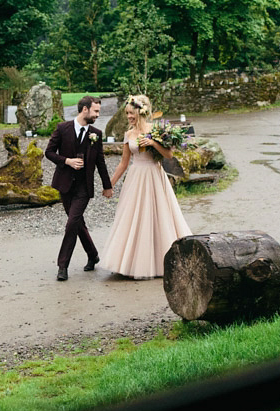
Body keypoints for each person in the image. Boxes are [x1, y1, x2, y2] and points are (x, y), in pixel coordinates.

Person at [97, 95, 192, 279]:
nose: (129, 117)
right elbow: (123, 164)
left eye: (131, 113)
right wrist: (109, 185)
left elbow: (169, 156)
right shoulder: (128, 134)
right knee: (134, 218)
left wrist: (153, 143)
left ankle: (162, 260)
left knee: (159, 216)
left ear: (141, 112)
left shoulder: (155, 130)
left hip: (154, 176)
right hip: (136, 178)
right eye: (127, 114)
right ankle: (130, 262)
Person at [45, 96, 113, 280]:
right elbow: (48, 152)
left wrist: (108, 186)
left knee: (71, 224)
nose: (98, 115)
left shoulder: (96, 134)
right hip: (64, 185)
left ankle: (62, 266)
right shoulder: (62, 129)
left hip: (84, 187)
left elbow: (101, 162)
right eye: (96, 111)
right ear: (85, 110)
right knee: (77, 223)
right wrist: (66, 161)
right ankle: (93, 255)